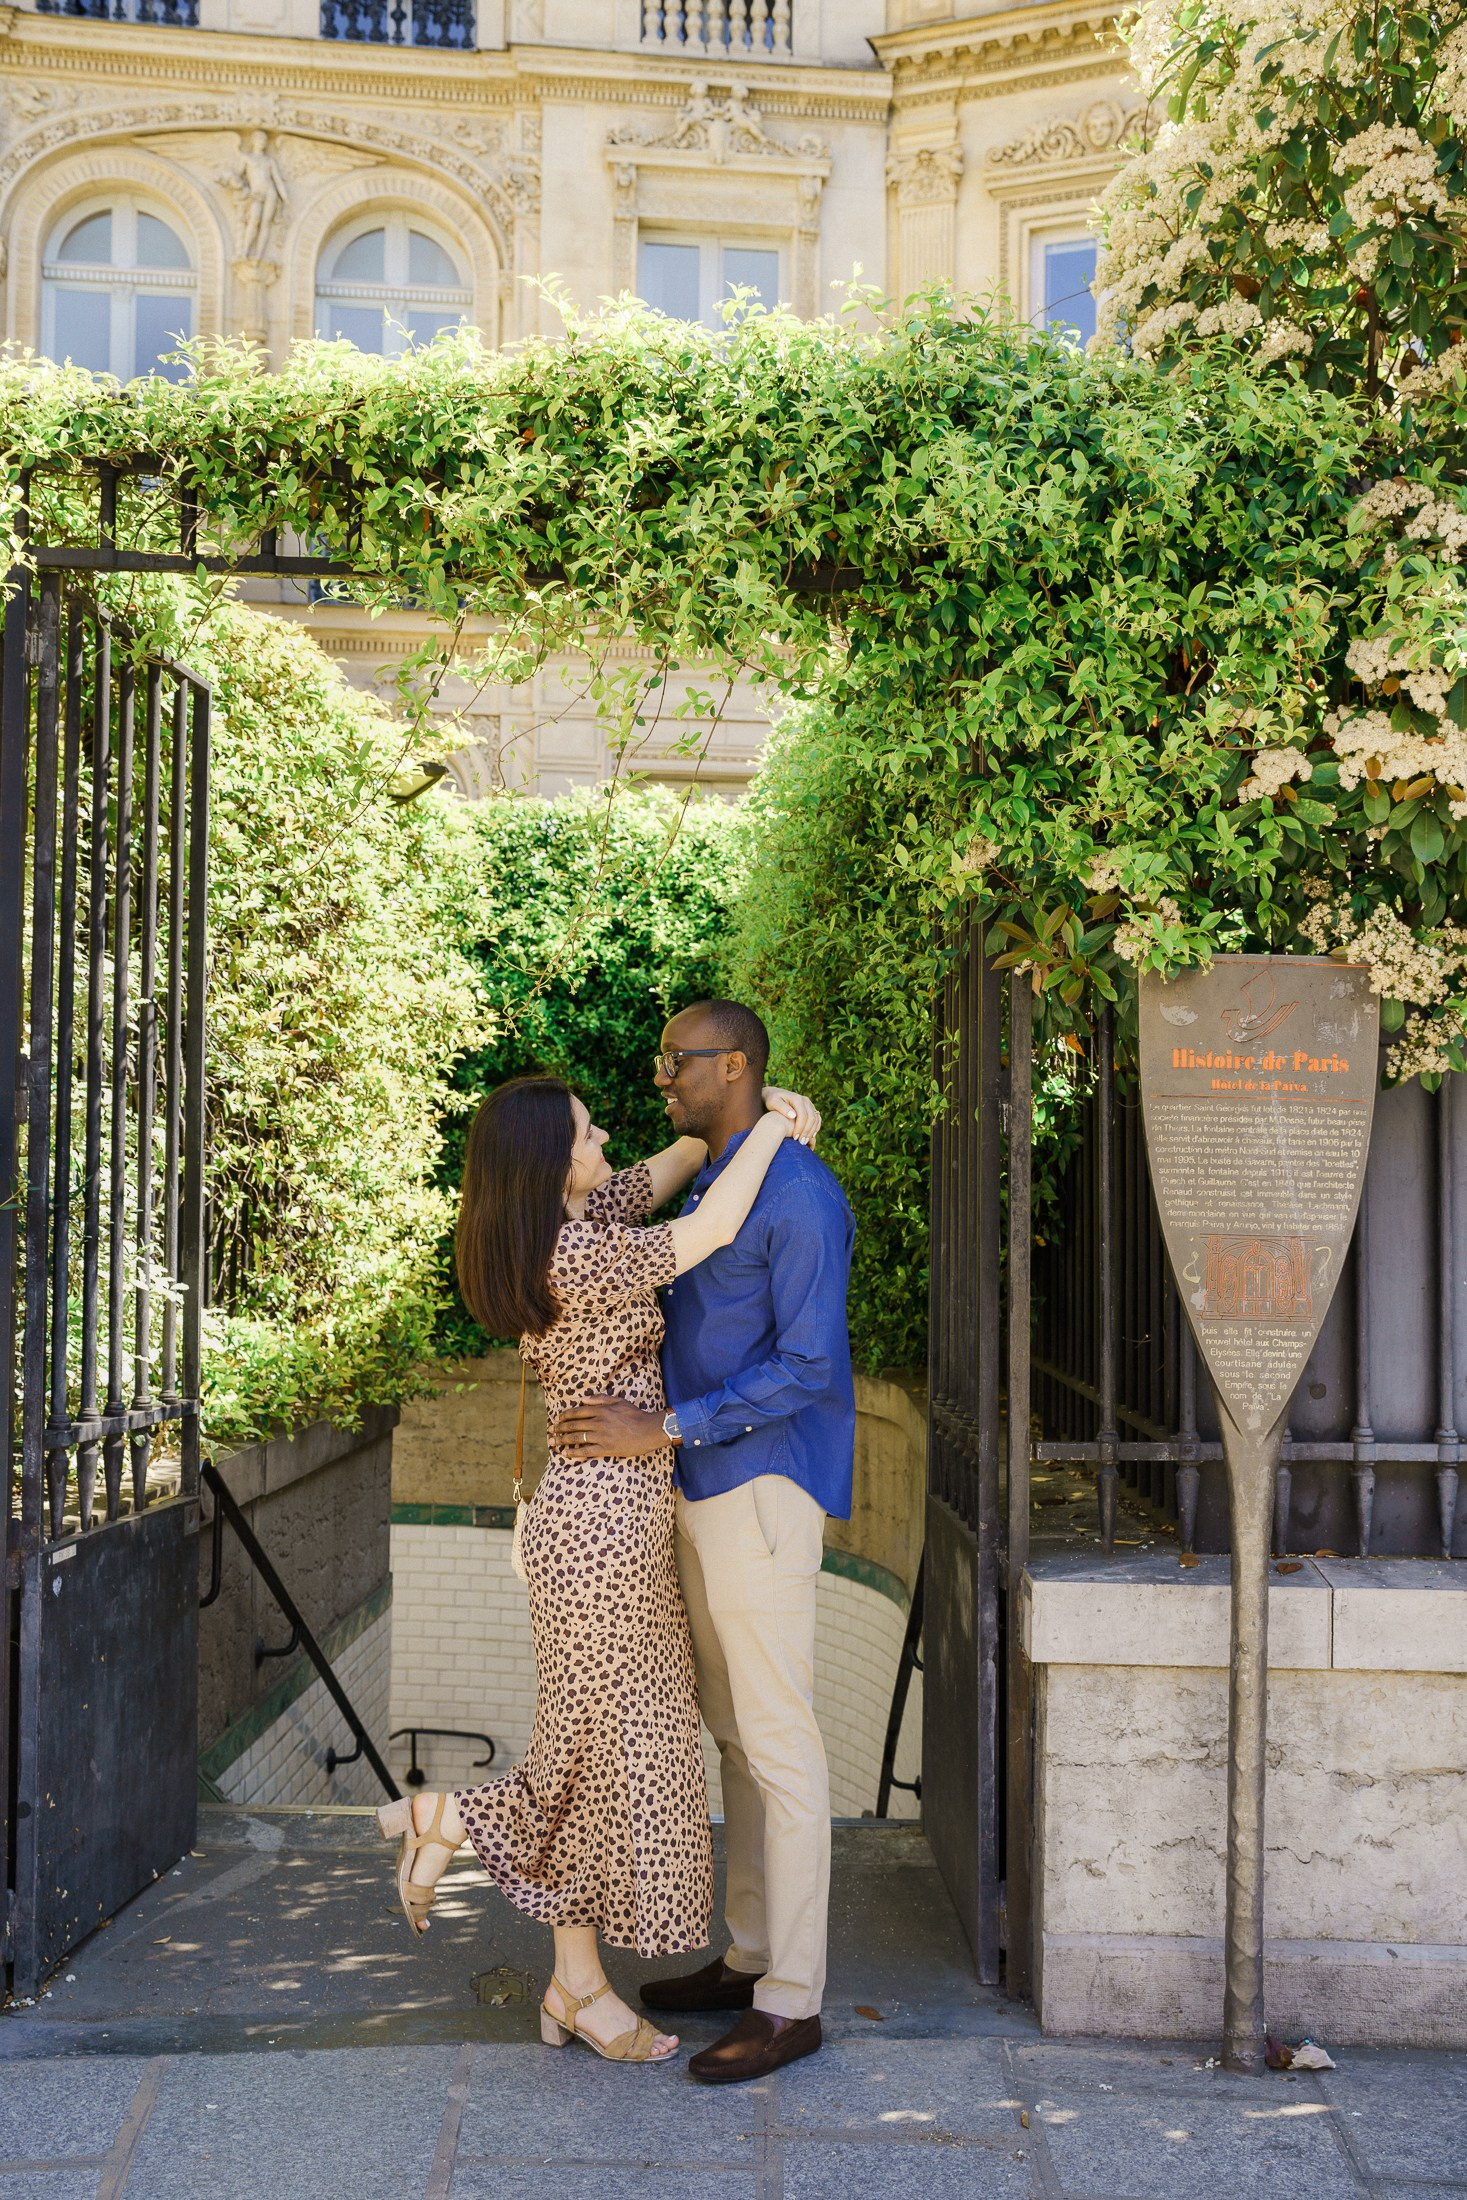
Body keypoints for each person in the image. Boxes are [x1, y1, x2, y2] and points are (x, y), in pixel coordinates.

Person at [374, 1070, 820, 2069]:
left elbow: (664, 1173)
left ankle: (576, 1982)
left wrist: (722, 1129)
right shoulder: (572, 1251)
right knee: (609, 1749)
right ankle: (450, 1818)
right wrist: (779, 1131)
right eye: (586, 1130)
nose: (607, 1133)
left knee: (601, 1748)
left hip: (600, 1521)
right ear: (551, 1160)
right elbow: (699, 1239)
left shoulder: (574, 1213)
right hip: (601, 1529)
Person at [554, 1000, 855, 2085]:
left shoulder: (803, 1196)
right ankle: (752, 1954)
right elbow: (661, 1204)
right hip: (691, 1484)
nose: (661, 1076)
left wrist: (666, 1425)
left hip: (762, 1488)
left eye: (677, 1061)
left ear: (733, 1066)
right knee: (732, 1728)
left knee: (780, 1740)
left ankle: (794, 2000)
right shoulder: (729, 1171)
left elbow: (811, 1367)